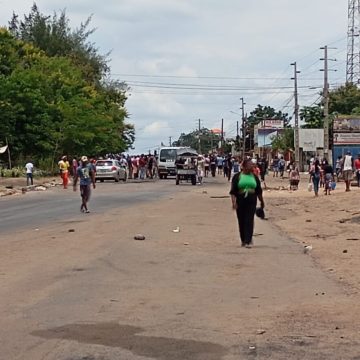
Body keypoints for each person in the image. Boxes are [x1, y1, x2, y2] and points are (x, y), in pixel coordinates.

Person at [230, 158, 265, 248]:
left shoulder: (254, 177)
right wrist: (234, 203)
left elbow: (258, 191)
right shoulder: (237, 176)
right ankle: (243, 240)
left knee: (249, 219)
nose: (252, 166)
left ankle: (248, 240)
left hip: (252, 199)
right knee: (241, 220)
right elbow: (233, 191)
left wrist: (261, 201)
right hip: (240, 199)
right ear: (244, 166)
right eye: (250, 165)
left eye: (252, 165)